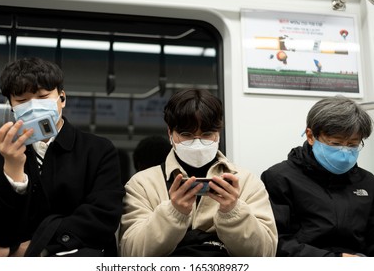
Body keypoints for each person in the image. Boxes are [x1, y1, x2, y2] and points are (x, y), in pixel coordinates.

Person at [0, 57, 125, 257]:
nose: (34, 106)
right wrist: (12, 171)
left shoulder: (98, 150)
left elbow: (102, 218)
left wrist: (36, 247)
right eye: (22, 100)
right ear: (12, 106)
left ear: (62, 98)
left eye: (42, 97)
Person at [120, 88, 278, 256]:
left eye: (207, 134)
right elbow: (130, 253)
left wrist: (233, 211)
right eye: (186, 134)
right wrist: (173, 213)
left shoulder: (246, 182)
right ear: (170, 134)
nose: (197, 142)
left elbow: (266, 253)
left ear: (218, 134)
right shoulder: (142, 184)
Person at [261, 95, 374, 257]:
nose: (345, 151)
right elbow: (276, 242)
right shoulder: (279, 178)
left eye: (353, 145)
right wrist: (332, 260)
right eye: (335, 143)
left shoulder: (367, 182)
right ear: (310, 136)